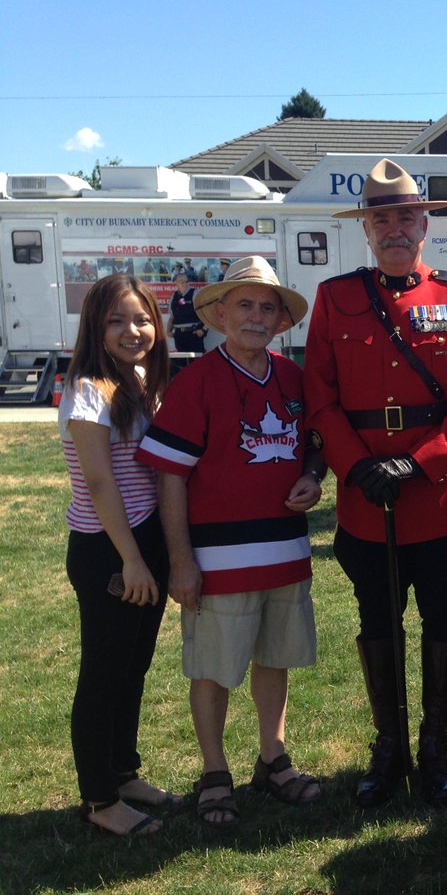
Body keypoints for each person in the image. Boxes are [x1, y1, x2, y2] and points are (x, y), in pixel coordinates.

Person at [303, 158, 447, 807]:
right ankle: (387, 747)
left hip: (438, 500)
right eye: (380, 218)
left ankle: (435, 745)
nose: (394, 227)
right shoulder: (336, 298)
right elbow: (319, 394)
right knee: (377, 623)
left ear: (425, 224)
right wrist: (355, 464)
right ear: (366, 229)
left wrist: (421, 463)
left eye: (404, 216)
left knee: (444, 618)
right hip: (366, 500)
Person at [137, 256, 324, 826]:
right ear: (219, 314)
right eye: (245, 304)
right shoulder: (196, 382)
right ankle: (214, 770)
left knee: (276, 659)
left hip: (287, 552)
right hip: (218, 559)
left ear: (282, 321)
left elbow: (315, 441)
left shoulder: (293, 378)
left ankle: (273, 756)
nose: (257, 315)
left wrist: (314, 477)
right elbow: (170, 476)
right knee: (214, 668)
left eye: (268, 307)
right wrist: (179, 561)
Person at [60, 275, 173, 837]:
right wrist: (131, 560)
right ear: (94, 329)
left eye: (142, 318)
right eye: (116, 321)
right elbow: (100, 484)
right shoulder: (88, 389)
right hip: (109, 548)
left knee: (134, 667)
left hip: (142, 541)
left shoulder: (135, 380)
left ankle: (123, 772)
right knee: (104, 673)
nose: (133, 331)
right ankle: (100, 800)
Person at [168, 272, 207, 354]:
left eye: (186, 281)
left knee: (197, 364)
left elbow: (206, 314)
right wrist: (168, 331)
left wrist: (203, 330)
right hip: (179, 335)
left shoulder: (195, 293)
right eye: (182, 282)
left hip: (194, 334)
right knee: (181, 364)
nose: (185, 284)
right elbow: (172, 317)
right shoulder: (173, 297)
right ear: (176, 283)